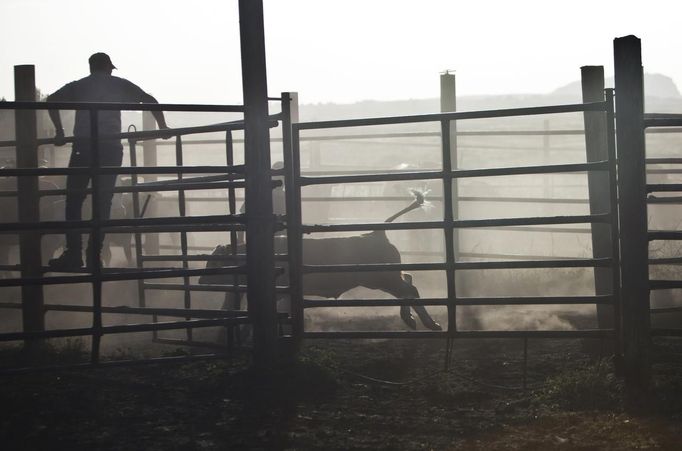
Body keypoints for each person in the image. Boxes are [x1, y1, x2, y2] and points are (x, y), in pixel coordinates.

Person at [46, 52, 170, 270]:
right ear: (108, 68)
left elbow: (51, 100)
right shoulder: (119, 85)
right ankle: (95, 255)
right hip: (110, 149)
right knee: (102, 202)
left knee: (74, 200)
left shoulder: (79, 86)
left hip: (83, 148)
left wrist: (59, 131)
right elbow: (150, 99)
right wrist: (163, 126)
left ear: (91, 67)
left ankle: (73, 253)